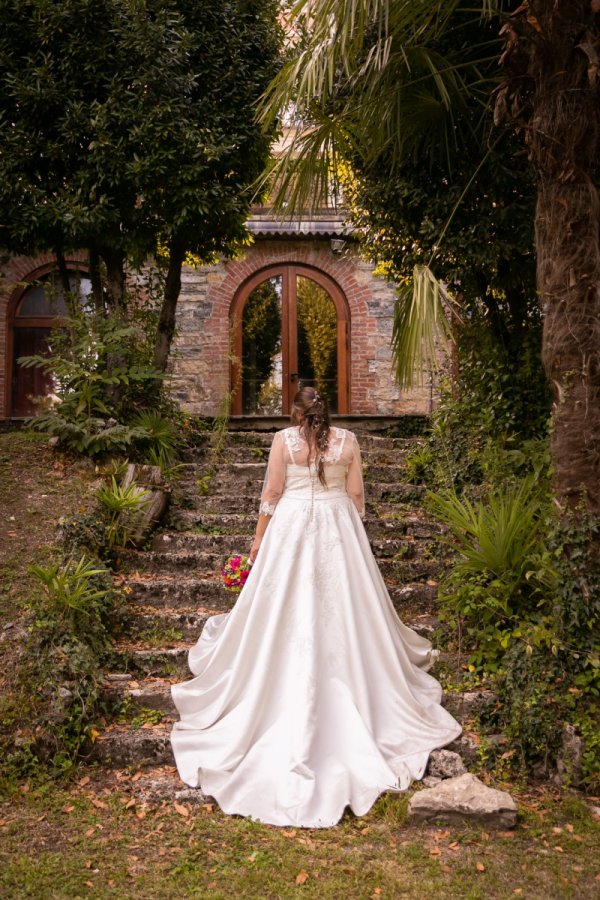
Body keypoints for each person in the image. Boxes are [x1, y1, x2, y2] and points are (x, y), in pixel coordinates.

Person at [170, 387, 461, 828]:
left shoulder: (284, 441)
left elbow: (271, 494)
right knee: (345, 606)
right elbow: (358, 496)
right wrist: (347, 530)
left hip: (289, 526)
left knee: (282, 606)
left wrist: (256, 545)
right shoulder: (348, 441)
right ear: (326, 413)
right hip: (337, 526)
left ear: (296, 413)